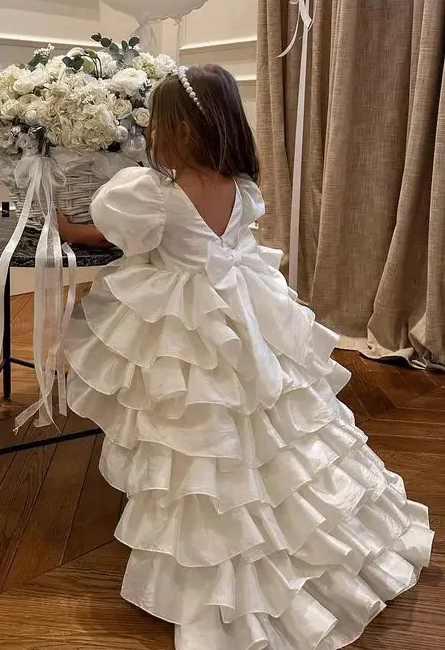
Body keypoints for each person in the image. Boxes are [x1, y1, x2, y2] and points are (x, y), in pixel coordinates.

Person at [56, 64, 433, 650]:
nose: (151, 135)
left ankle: (221, 571)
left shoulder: (149, 191)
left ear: (176, 129)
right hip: (247, 315)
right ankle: (321, 537)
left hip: (189, 326)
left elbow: (105, 235)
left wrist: (59, 220)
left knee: (198, 438)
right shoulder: (240, 187)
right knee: (277, 423)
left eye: (157, 124)